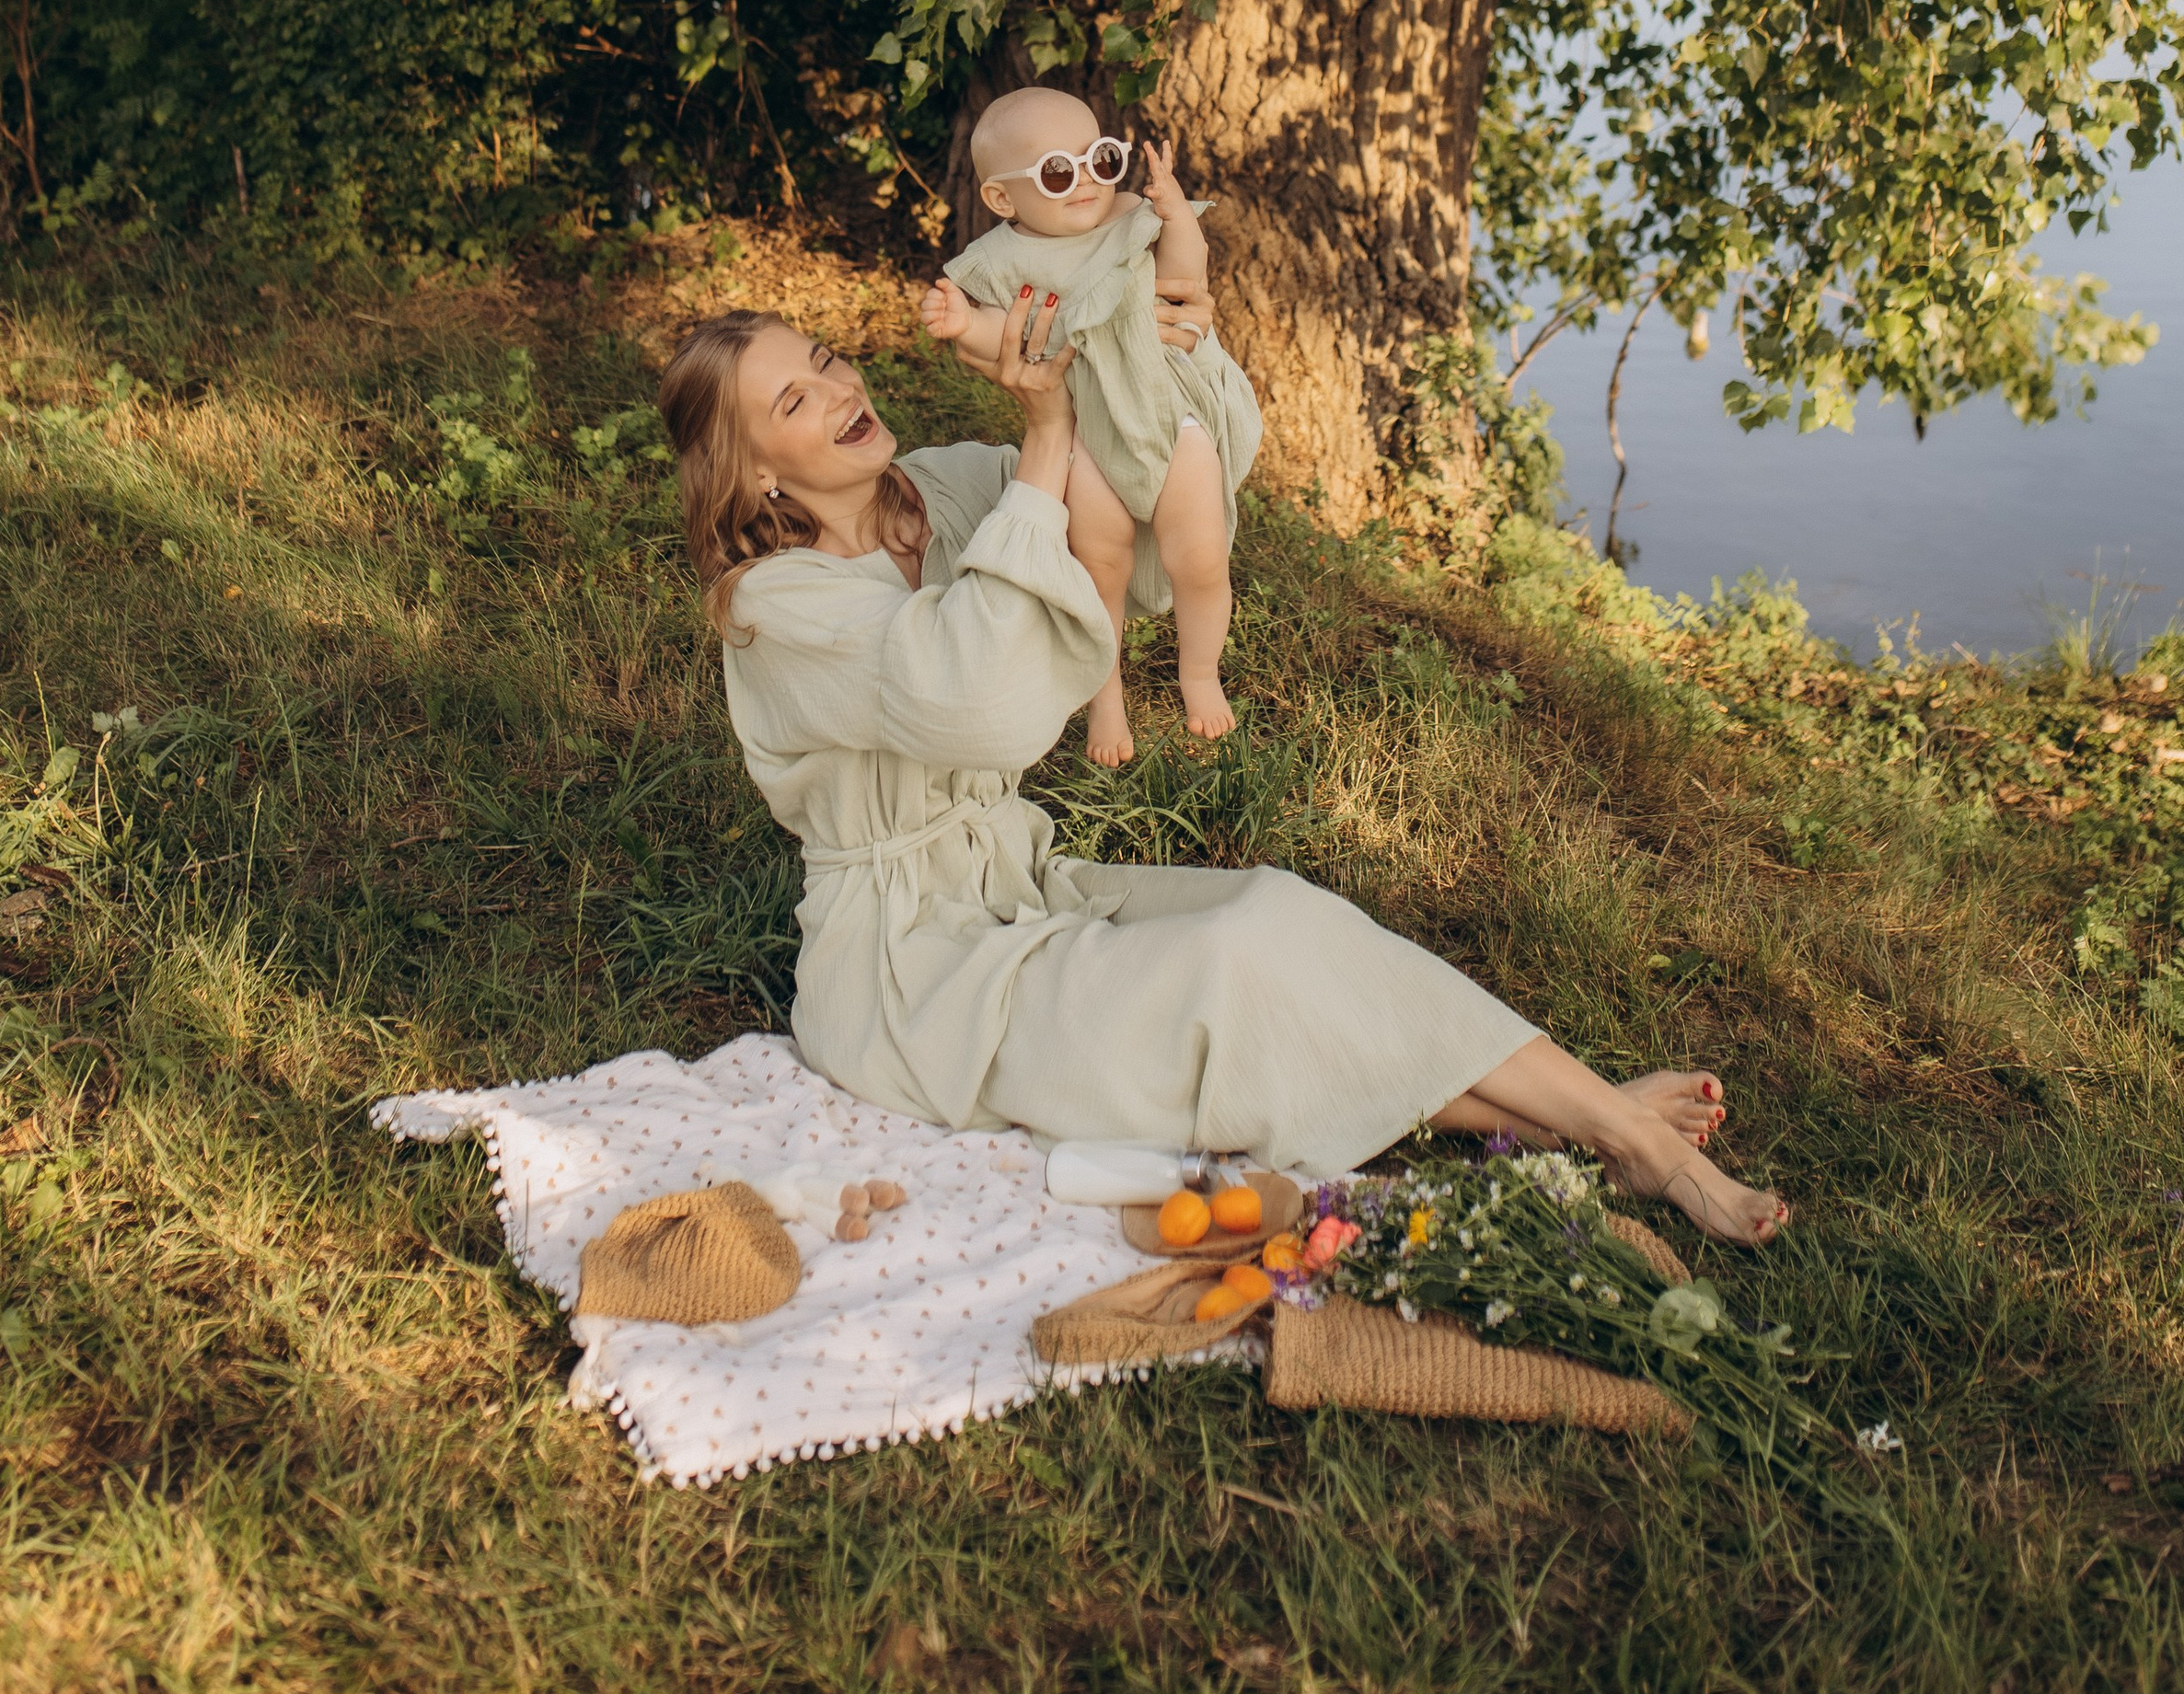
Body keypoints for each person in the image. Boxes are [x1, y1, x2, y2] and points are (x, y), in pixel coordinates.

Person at [656, 286, 1787, 1239]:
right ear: (753, 472)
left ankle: (1587, 1119)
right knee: (1225, 972)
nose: (843, 391)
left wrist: (1143, 351)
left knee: (1279, 914)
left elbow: (1142, 522)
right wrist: (1046, 445)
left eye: (828, 361)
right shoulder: (773, 603)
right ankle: (1621, 1133)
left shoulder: (943, 493)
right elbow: (980, 704)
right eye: (793, 401)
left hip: (1018, 881)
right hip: (911, 975)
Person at [921, 86, 1257, 761]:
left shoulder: (1132, 215)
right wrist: (965, 322)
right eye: (1056, 171)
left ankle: (1199, 673)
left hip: (1169, 412)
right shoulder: (1001, 261)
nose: (1086, 182)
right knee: (1097, 567)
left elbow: (1187, 280)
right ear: (1002, 199)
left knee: (1200, 554)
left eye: (1100, 159)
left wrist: (1175, 214)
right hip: (1085, 432)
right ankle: (1107, 701)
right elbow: (1004, 335)